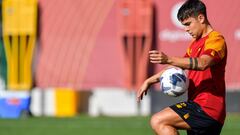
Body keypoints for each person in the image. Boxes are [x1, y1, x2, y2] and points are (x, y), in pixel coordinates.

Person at [137, 0, 227, 135]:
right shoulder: (194, 44)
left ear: (201, 18)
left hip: (207, 107)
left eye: (188, 24)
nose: (186, 29)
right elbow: (177, 66)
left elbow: (203, 63)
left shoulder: (216, 39)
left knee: (158, 120)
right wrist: (149, 80)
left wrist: (168, 58)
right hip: (200, 107)